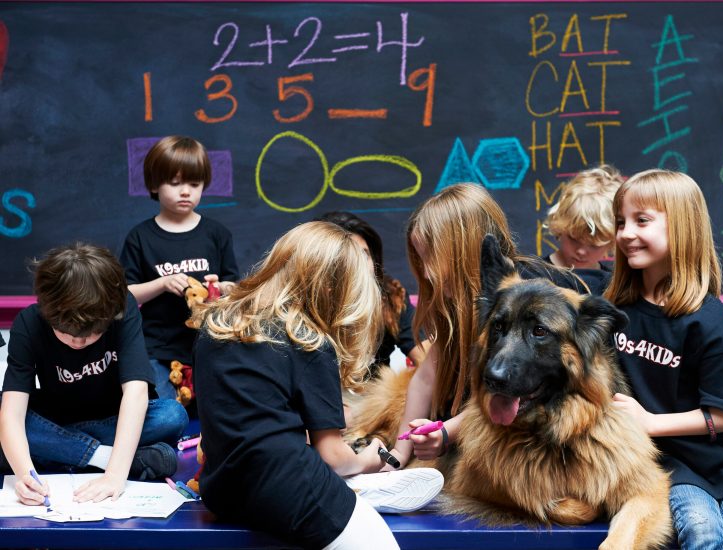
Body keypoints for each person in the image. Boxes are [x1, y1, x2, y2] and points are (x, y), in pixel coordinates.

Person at [192, 222, 443, 549]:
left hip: (221, 488)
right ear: (331, 289)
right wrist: (370, 458)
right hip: (289, 485)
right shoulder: (308, 339)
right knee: (379, 542)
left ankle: (351, 490)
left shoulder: (216, 325)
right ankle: (357, 485)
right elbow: (333, 457)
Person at [605, 169, 723, 548]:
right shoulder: (613, 311)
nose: (626, 233)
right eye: (620, 222)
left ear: (681, 227)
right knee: (702, 533)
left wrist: (649, 422)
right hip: (669, 466)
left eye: (641, 220)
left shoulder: (710, 318)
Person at [388, 183, 582, 468]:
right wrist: (399, 453)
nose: (426, 272)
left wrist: (447, 433)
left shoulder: (525, 292)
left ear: (464, 250)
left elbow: (507, 389)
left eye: (431, 256)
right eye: (420, 258)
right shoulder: (457, 299)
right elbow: (427, 376)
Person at [0, 243, 188, 506]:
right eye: (66, 334)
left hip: (111, 417)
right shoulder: (29, 322)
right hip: (57, 417)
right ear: (46, 310)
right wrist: (25, 476)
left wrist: (114, 477)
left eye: (91, 335)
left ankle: (61, 452)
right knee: (3, 416)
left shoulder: (123, 307)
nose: (78, 342)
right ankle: (104, 456)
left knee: (172, 415)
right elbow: (12, 411)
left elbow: (135, 393)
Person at [120, 135, 239, 401]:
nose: (185, 191)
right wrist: (162, 283)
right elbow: (125, 295)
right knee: (164, 411)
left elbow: (235, 286)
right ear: (154, 184)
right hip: (157, 350)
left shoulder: (216, 234)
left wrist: (220, 287)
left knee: (223, 407)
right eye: (175, 183)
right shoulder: (140, 237)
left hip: (209, 347)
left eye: (194, 184)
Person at [316, 211, 430, 376]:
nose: (359, 264)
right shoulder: (308, 304)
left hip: (372, 398)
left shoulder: (391, 296)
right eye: (347, 256)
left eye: (364, 254)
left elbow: (428, 360)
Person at [543, 164, 623, 294]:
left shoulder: (614, 288)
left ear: (612, 241)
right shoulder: (529, 275)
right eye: (574, 239)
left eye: (594, 245)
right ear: (560, 227)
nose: (581, 251)